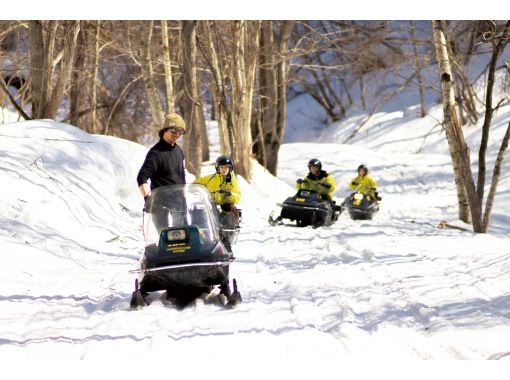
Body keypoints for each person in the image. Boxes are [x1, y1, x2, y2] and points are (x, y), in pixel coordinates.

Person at [137, 113, 187, 231]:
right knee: (165, 238)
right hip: (160, 204)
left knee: (180, 236)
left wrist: (184, 197)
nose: (177, 134)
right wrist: (148, 199)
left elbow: (182, 175)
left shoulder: (179, 151)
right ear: (165, 129)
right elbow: (141, 177)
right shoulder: (155, 153)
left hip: (178, 202)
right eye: (174, 130)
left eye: (180, 131)